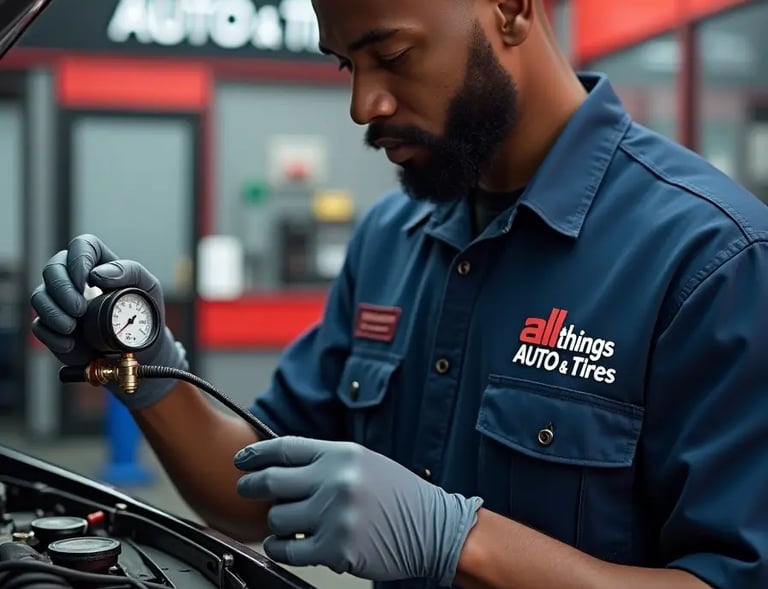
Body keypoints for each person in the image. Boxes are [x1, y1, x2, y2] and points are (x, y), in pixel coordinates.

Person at [29, 0, 768, 587]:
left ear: (510, 9)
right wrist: (149, 365)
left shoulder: (712, 259)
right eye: (345, 63)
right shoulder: (391, 238)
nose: (363, 103)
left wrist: (462, 542)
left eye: (390, 54)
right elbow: (250, 487)